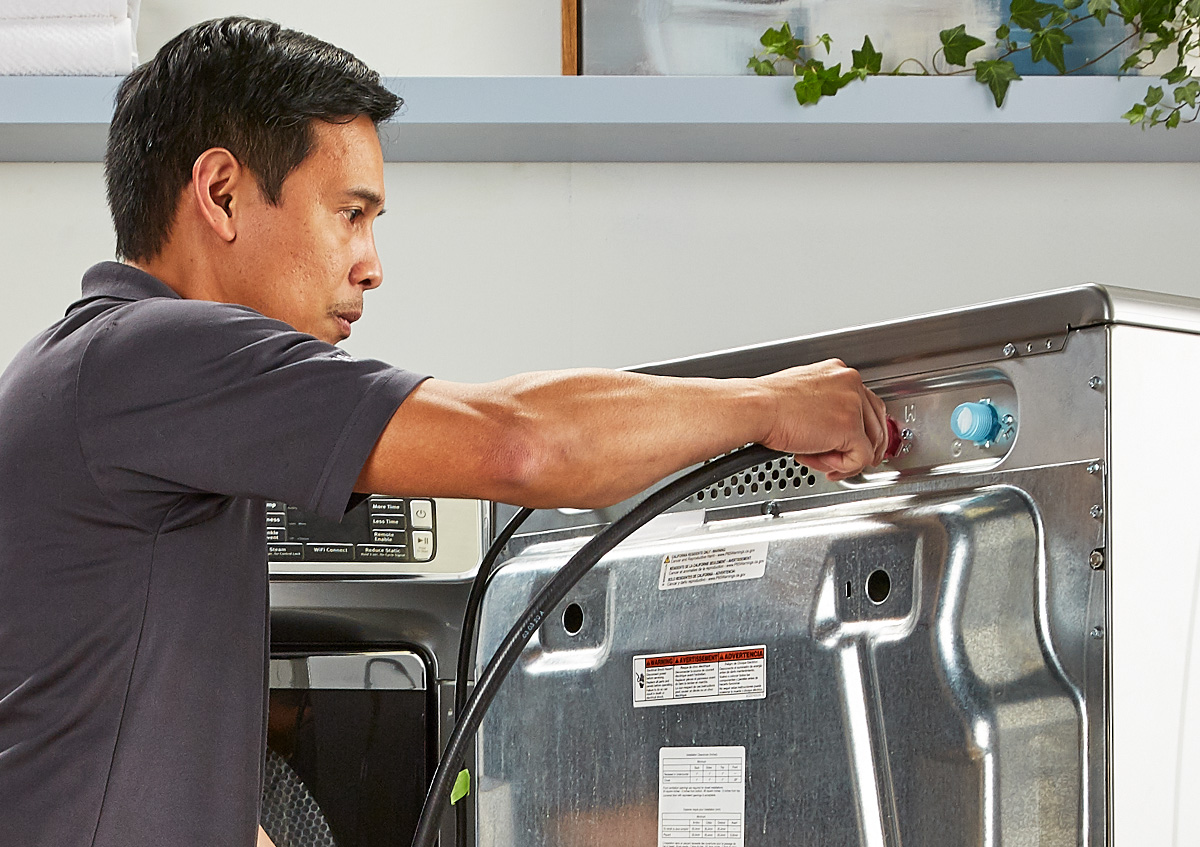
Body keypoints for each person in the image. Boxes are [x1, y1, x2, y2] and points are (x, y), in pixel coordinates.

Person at [0, 16, 887, 847]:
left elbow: (158, 777)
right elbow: (522, 443)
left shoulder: (108, 380)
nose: (371, 264)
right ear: (223, 193)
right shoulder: (151, 355)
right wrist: (770, 404)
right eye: (351, 213)